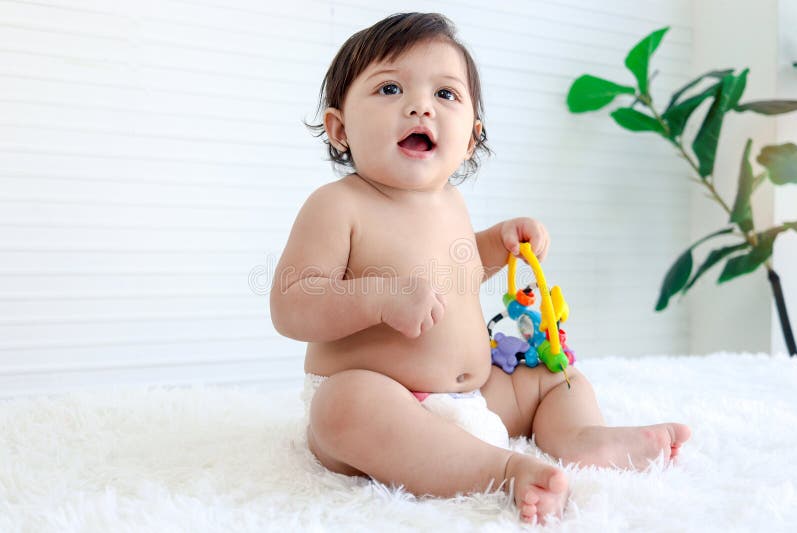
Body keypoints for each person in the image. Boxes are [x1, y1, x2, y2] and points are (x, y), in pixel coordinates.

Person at [270, 12, 691, 524]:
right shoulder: (338, 205)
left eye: (445, 94)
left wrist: (497, 245)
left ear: (471, 138)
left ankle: (584, 439)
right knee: (344, 406)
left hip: (475, 394)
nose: (419, 105)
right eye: (389, 89)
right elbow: (293, 303)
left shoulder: (450, 204)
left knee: (554, 376)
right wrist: (380, 297)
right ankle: (499, 471)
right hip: (381, 401)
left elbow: (457, 276)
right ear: (340, 129)